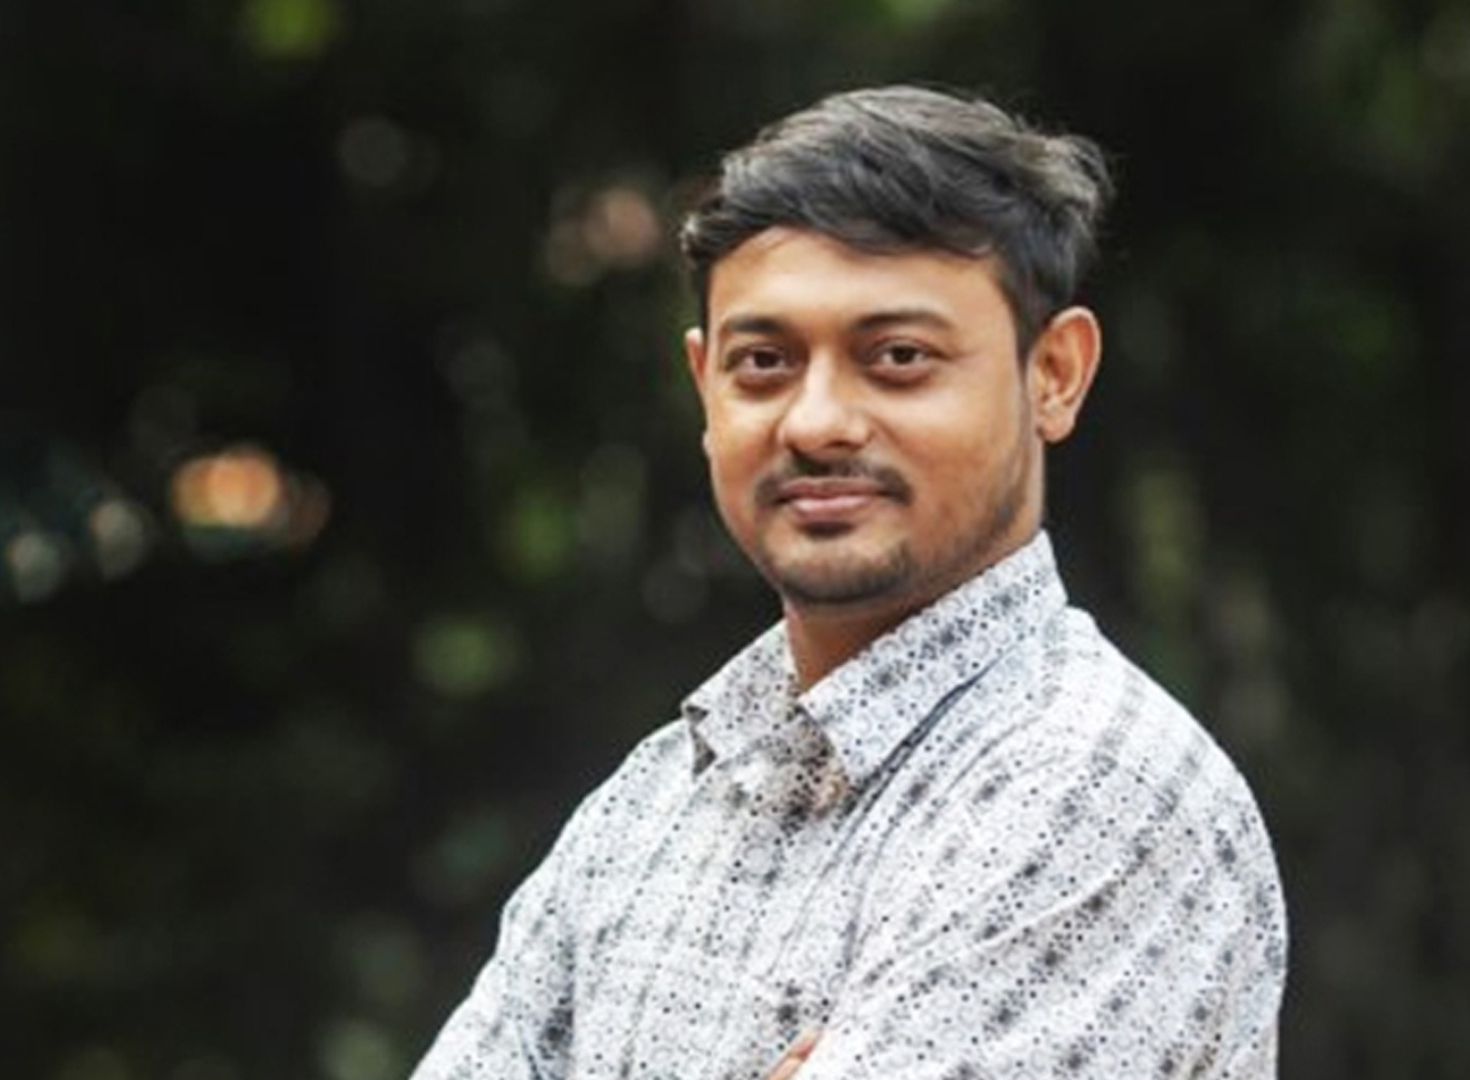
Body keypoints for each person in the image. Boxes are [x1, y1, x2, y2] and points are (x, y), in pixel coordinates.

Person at [408, 84, 1287, 1080]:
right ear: (704, 387)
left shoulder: (1095, 790)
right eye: (764, 362)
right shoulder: (651, 804)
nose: (817, 422)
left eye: (898, 357)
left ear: (1054, 374)